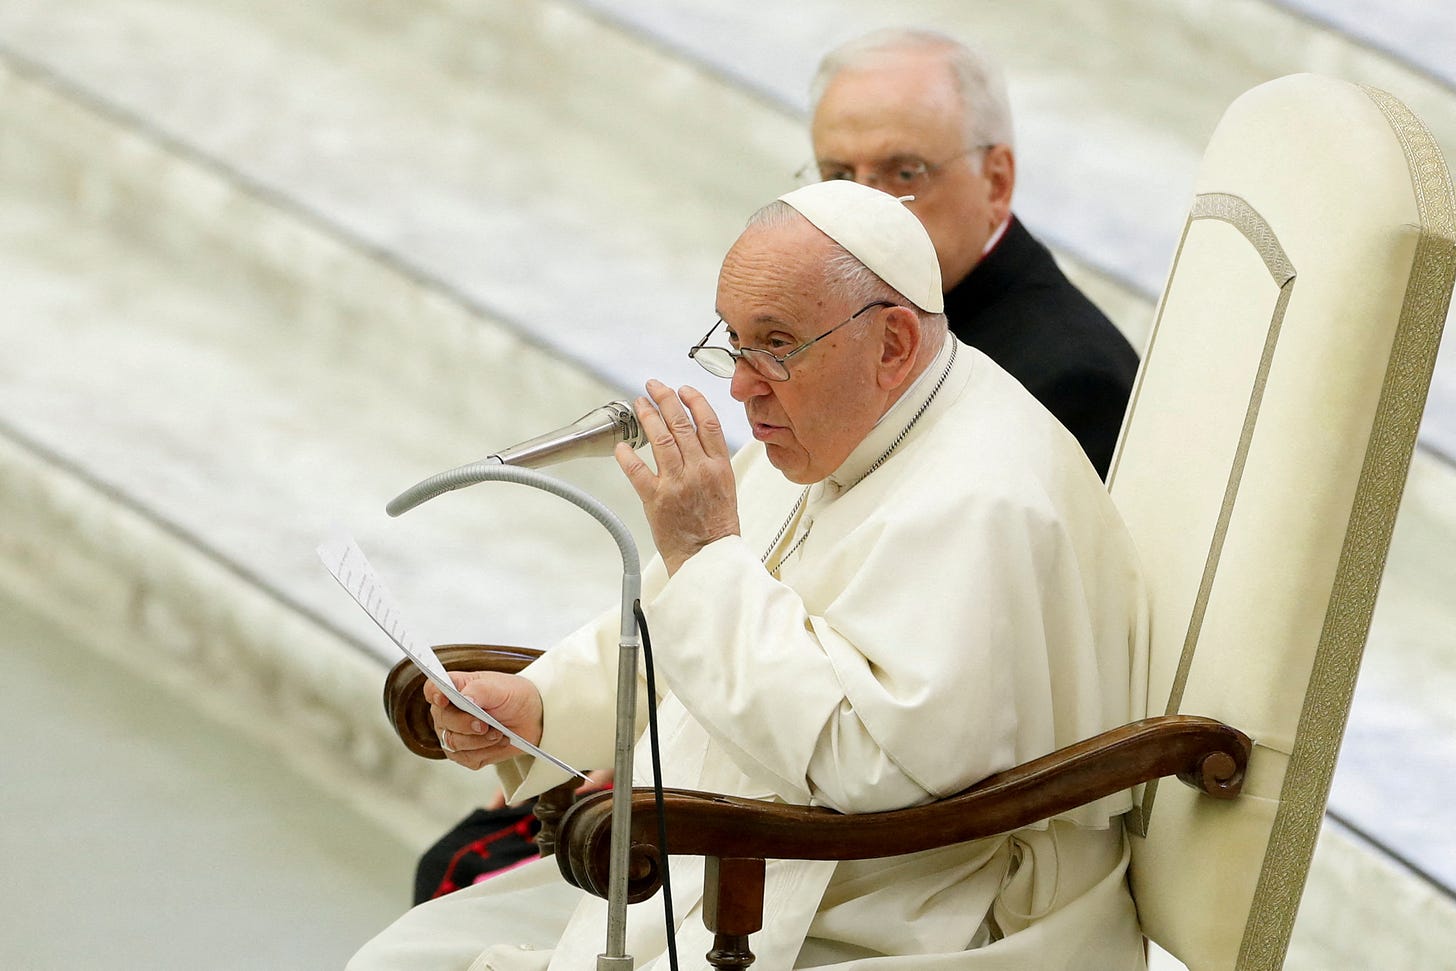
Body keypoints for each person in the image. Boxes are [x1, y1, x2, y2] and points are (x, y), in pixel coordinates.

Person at [351, 179, 1148, 969]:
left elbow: (872, 763)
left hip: (895, 902)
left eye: (775, 344)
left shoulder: (984, 497)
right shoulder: (844, 422)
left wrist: (703, 552)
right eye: (733, 340)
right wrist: (540, 704)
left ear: (895, 343)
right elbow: (682, 619)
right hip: (745, 861)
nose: (739, 384)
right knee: (400, 957)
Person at [808, 28, 1139, 478]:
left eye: (906, 173)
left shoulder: (1072, 381)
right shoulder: (849, 319)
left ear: (996, 181)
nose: (865, 205)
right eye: (839, 175)